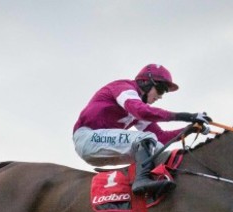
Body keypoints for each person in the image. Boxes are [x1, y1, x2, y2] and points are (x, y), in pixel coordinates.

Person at [73, 63, 211, 196]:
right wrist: (187, 116)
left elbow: (161, 137)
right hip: (87, 138)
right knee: (145, 138)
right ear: (146, 82)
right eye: (161, 89)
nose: (161, 96)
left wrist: (189, 129)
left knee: (157, 147)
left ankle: (147, 186)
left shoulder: (138, 109)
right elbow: (142, 111)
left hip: (101, 146)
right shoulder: (124, 87)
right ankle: (141, 182)